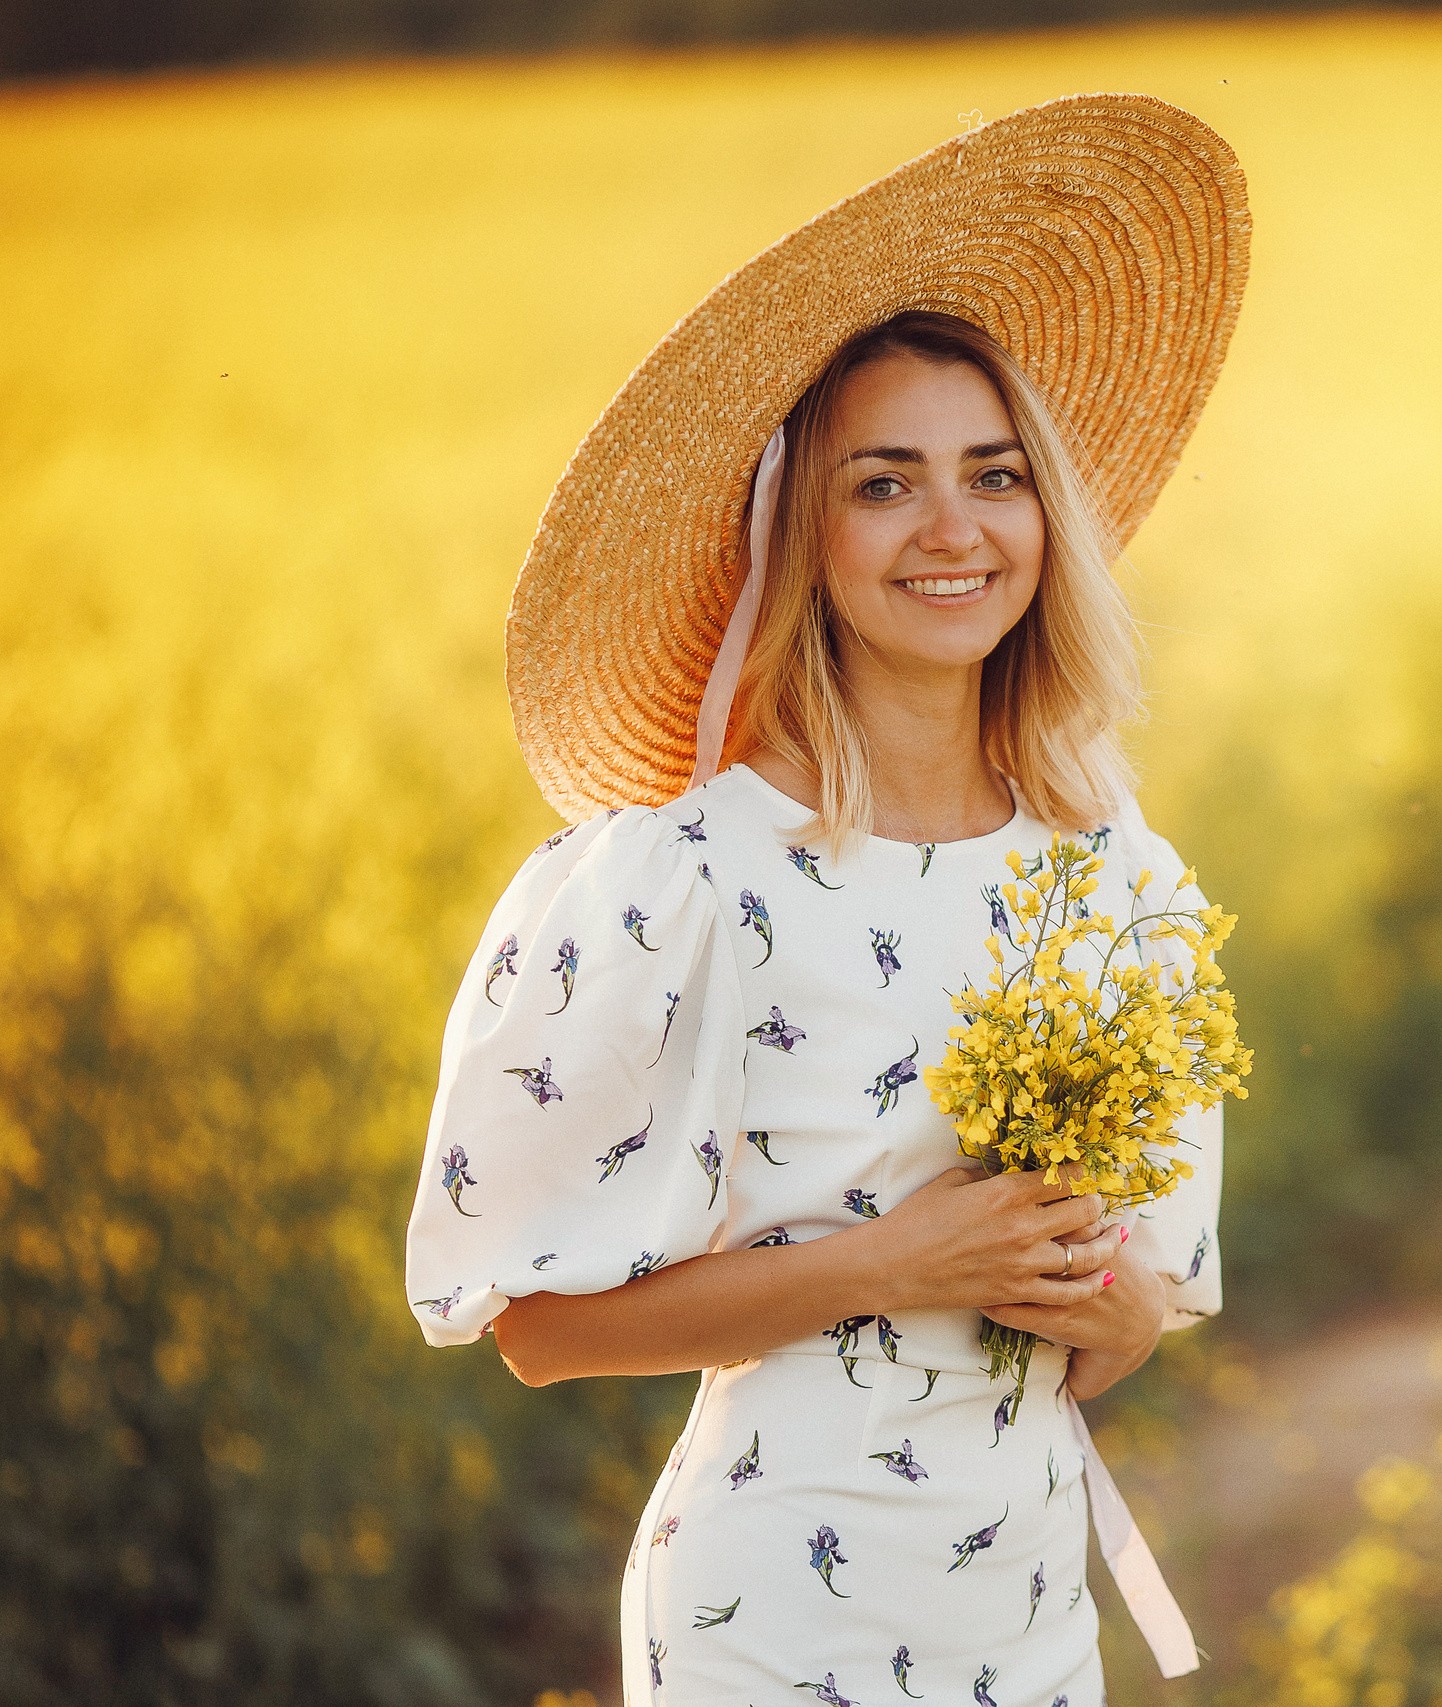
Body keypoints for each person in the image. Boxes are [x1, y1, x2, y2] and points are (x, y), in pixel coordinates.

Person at [403, 95, 1250, 1706]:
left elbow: (1125, 1327)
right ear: (799, 531)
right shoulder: (682, 878)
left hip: (1025, 1610)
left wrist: (1105, 1289)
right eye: (884, 485)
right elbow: (541, 1331)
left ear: (1046, 518)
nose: (954, 529)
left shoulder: (1113, 876)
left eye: (995, 475)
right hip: (766, 1617)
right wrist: (895, 1264)